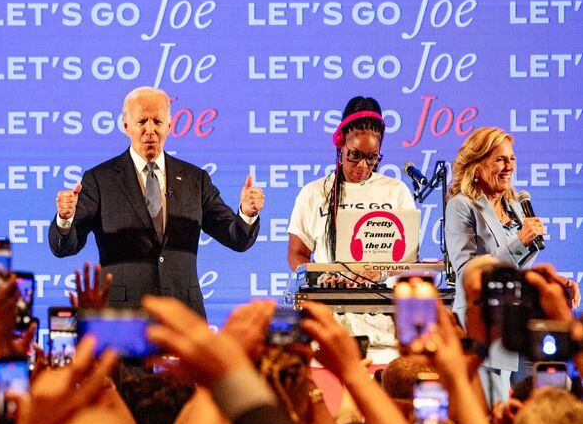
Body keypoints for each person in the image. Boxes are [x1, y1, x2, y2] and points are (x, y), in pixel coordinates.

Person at [49, 86, 264, 316]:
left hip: (183, 317)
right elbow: (66, 247)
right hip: (124, 317)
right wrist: (65, 218)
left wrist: (247, 213)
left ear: (170, 126)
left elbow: (236, 238)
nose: (149, 130)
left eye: (157, 122)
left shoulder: (195, 179)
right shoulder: (100, 180)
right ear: (125, 125)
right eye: (141, 121)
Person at [445, 127, 545, 400]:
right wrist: (519, 242)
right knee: (492, 418)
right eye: (500, 159)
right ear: (477, 167)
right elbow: (467, 273)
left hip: (519, 329)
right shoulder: (461, 206)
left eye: (511, 158)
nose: (509, 166)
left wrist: (555, 285)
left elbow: (517, 271)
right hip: (483, 329)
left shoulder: (513, 206)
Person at [287, 96, 415, 274]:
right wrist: (322, 278)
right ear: (340, 144)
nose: (363, 165)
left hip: (385, 299)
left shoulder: (396, 191)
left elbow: (408, 257)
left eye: (372, 157)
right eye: (355, 154)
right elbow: (296, 254)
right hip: (330, 299)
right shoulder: (314, 193)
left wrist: (381, 273)